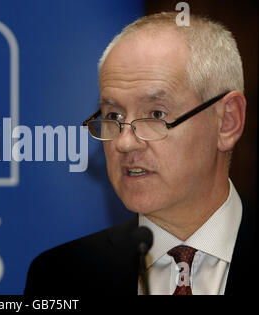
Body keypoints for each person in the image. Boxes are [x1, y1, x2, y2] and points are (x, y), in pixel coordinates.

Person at [24, 12, 254, 295]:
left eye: (156, 114)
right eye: (114, 115)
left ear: (227, 122)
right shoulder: (59, 276)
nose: (124, 143)